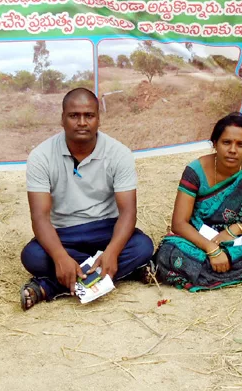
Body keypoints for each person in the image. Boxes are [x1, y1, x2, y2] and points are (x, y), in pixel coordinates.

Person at [20, 88, 154, 310]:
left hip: (106, 229)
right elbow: (40, 217)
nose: (82, 122)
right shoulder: (41, 156)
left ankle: (50, 287)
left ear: (98, 119)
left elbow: (128, 213)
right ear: (62, 119)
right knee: (32, 256)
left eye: (89, 116)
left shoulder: (119, 153)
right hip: (64, 234)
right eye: (74, 116)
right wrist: (60, 257)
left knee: (142, 246)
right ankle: (116, 272)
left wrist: (111, 252)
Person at [155, 112, 242, 291]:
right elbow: (179, 224)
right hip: (200, 241)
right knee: (169, 251)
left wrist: (236, 229)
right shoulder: (195, 171)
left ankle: (216, 268)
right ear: (214, 143)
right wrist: (212, 250)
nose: (233, 150)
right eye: (226, 142)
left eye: (240, 144)